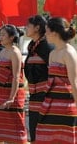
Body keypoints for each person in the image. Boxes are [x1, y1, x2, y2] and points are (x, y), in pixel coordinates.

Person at [35, 17, 77, 143]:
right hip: (50, 105)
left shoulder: (69, 53)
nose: (45, 34)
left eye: (47, 30)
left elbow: (74, 83)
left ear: (54, 32)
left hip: (65, 106)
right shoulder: (53, 53)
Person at [0, 25, 27, 144]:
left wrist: (11, 98)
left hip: (12, 92)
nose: (0, 37)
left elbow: (16, 76)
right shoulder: (2, 51)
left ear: (12, 37)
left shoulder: (15, 52)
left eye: (3, 35)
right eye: (0, 34)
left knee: (14, 127)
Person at [23, 14, 52, 142]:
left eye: (28, 26)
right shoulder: (31, 45)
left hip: (46, 94)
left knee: (44, 125)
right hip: (34, 94)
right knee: (34, 124)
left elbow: (53, 71)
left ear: (37, 28)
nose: (25, 28)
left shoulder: (47, 46)